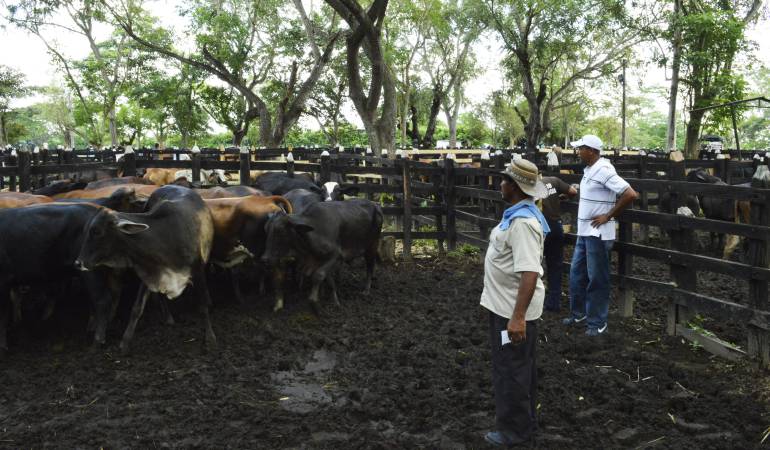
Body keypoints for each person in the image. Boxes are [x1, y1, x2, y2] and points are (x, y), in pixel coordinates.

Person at [480, 158, 549, 447]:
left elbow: (530, 271)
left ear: (515, 187)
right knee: (517, 368)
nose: (501, 183)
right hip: (505, 307)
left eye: (505, 180)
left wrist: (517, 317)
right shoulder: (517, 215)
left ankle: (514, 433)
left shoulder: (522, 223)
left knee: (512, 370)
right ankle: (524, 425)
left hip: (512, 311)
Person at [563, 135, 638, 336]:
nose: (578, 152)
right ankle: (579, 314)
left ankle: (597, 323)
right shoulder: (589, 170)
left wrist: (608, 215)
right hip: (585, 232)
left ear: (592, 151)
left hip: (597, 234)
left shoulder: (604, 170)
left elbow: (630, 193)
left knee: (597, 278)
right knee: (577, 274)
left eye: (581, 149)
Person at [540, 176, 577, 311]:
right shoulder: (553, 181)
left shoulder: (528, 185)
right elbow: (573, 192)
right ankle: (553, 303)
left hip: (539, 228)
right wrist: (560, 197)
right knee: (555, 266)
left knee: (533, 265)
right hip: (555, 226)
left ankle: (534, 301)